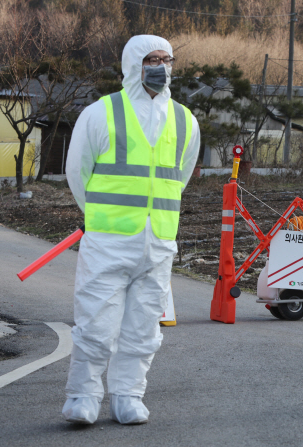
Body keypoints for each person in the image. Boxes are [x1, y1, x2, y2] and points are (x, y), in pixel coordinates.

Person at [62, 35, 200, 424]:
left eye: (166, 59)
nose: (160, 67)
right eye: (150, 59)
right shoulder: (100, 113)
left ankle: (128, 395)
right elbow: (77, 174)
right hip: (108, 240)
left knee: (143, 328)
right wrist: (103, 217)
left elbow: (181, 176)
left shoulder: (185, 120)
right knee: (95, 324)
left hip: (158, 242)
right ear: (132, 65)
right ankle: (82, 396)